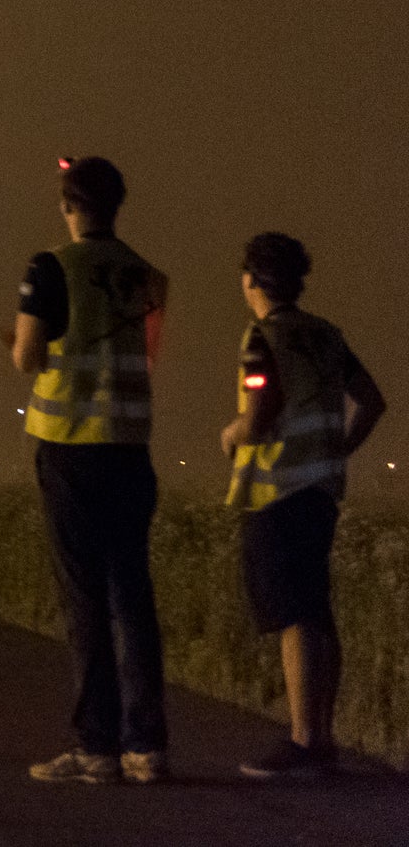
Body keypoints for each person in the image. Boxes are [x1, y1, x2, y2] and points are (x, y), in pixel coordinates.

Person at [6, 156, 170, 785]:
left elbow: (28, 357)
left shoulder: (50, 267)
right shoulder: (148, 276)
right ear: (117, 205)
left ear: (67, 205)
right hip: (130, 447)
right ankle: (146, 747)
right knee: (133, 595)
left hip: (70, 447)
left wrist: (18, 344)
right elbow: (146, 356)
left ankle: (96, 746)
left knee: (85, 599)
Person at [221, 232, 386, 778]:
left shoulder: (261, 336)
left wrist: (231, 433)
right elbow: (372, 401)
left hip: (277, 490)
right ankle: (323, 739)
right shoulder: (326, 335)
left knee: (293, 616)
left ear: (251, 279)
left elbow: (259, 409)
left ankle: (302, 742)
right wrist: (339, 448)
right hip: (321, 491)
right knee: (316, 611)